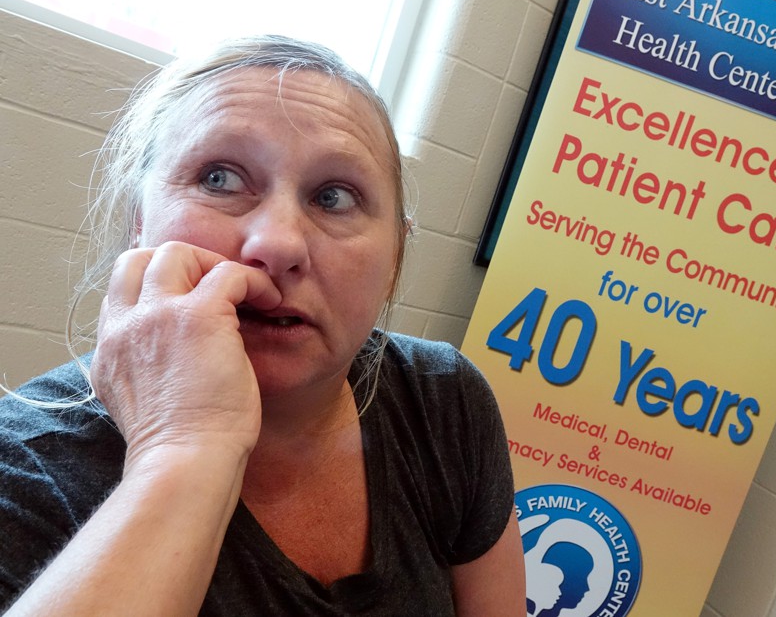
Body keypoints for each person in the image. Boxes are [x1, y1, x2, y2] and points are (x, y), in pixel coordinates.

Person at [0, 35, 525, 615]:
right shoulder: (20, 473)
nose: (277, 244)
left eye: (334, 197)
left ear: (395, 257)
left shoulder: (444, 400)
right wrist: (182, 450)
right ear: (139, 223)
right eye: (219, 179)